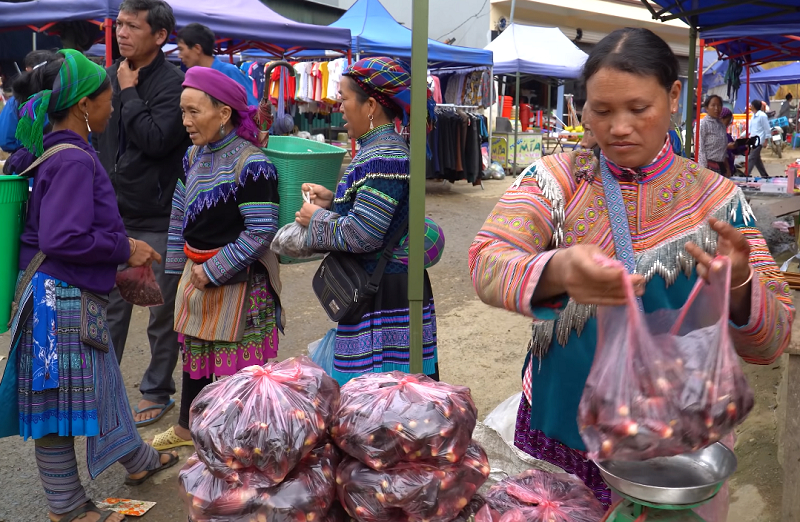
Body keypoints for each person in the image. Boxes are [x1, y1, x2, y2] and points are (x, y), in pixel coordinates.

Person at [469, 28, 793, 517]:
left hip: (682, 444)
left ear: (674, 96)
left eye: (639, 109)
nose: (619, 127)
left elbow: (770, 342)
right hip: (566, 431)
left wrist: (741, 286)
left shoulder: (718, 200)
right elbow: (487, 260)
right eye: (601, 111)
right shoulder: (556, 180)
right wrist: (556, 269)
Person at [0, 49, 179, 522]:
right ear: (83, 104)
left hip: (56, 297)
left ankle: (139, 462)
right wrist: (125, 248)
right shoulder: (74, 160)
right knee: (57, 410)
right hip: (59, 302)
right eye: (107, 98)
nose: (113, 107)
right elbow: (64, 237)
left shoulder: (49, 149)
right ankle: (68, 507)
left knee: (101, 388)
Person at [151, 66, 283, 450]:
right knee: (194, 355)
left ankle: (239, 441)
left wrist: (213, 270)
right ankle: (187, 429)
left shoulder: (253, 163)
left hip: (239, 281)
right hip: (197, 275)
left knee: (237, 373)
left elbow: (261, 231)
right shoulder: (193, 156)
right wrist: (175, 275)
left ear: (224, 113)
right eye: (182, 112)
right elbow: (179, 215)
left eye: (195, 112)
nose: (186, 122)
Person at [295, 56, 441, 385]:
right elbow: (380, 216)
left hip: (384, 295)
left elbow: (365, 236)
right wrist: (334, 201)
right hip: (384, 287)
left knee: (382, 403)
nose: (340, 107)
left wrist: (315, 217)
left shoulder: (383, 156)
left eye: (344, 98)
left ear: (371, 105)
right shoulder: (377, 151)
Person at [95, 0, 191, 427]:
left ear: (160, 35)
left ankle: (157, 389)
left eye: (132, 26)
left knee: (160, 309)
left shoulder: (175, 83)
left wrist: (130, 94)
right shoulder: (112, 75)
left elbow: (156, 140)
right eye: (119, 25)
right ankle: (103, 387)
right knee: (111, 305)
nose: (123, 33)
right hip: (116, 213)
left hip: (159, 216)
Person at [176, 23, 258, 106]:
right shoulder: (192, 78)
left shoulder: (228, 72)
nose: (179, 55)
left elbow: (252, 108)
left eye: (181, 49)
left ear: (197, 48)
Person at [0, 50, 56, 153]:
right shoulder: (65, 96)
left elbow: (6, 141)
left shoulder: (16, 101)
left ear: (27, 69)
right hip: (61, 162)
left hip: (27, 165)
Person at [697, 94, 730, 176]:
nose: (716, 108)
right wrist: (703, 172)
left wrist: (727, 167)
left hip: (721, 167)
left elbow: (723, 149)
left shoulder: (721, 125)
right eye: (713, 105)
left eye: (719, 105)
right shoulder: (703, 124)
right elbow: (700, 149)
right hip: (708, 168)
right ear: (706, 108)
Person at [748, 99, 771, 178]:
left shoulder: (762, 116)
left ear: (754, 106)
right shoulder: (753, 116)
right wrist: (742, 135)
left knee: (751, 158)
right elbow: (750, 129)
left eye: (751, 105)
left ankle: (746, 174)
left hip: (759, 140)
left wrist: (766, 140)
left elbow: (767, 128)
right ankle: (764, 175)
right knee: (757, 160)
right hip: (753, 140)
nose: (750, 106)